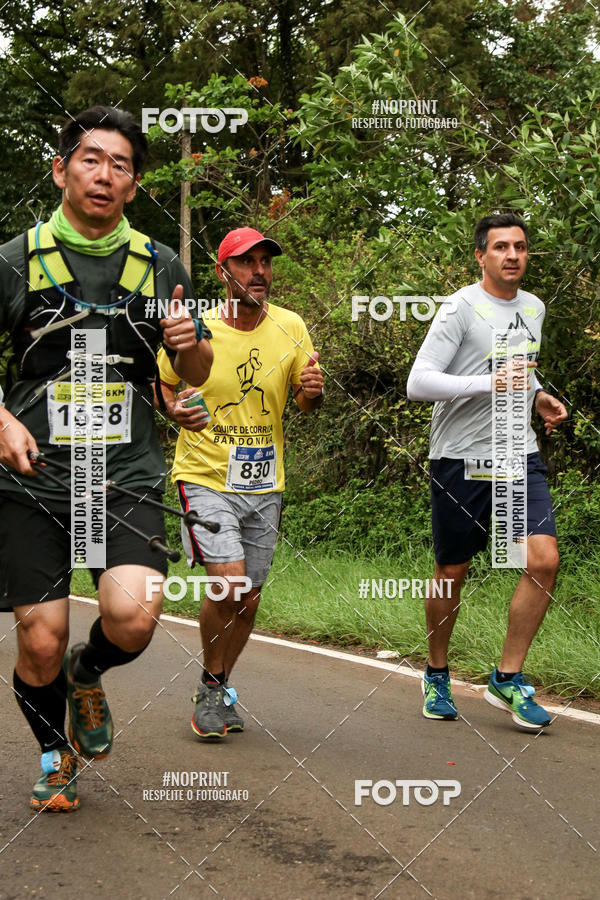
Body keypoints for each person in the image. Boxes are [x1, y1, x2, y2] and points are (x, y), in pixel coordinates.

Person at [0, 106, 213, 810]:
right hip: (33, 477)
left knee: (133, 617)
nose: (104, 174)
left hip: (124, 473)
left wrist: (185, 344)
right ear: (61, 169)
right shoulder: (13, 259)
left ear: (133, 184)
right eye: (90, 158)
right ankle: (55, 754)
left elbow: (200, 366)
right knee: (38, 638)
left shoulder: (160, 264)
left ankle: (87, 674)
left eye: (120, 165)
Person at [156, 226, 323, 740]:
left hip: (263, 481)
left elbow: (303, 401)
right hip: (204, 474)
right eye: (246, 263)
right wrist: (172, 409)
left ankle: (219, 681)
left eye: (266, 263)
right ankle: (210, 690)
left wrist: (312, 392)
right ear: (223, 272)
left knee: (248, 598)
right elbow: (163, 382)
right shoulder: (200, 326)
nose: (259, 272)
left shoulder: (292, 326)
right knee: (227, 584)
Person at [407, 212, 567, 730]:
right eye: (501, 247)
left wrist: (538, 394)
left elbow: (523, 364)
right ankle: (436, 672)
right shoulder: (460, 308)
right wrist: (488, 385)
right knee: (453, 571)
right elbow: (419, 383)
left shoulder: (535, 308)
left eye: (520, 246)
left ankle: (507, 676)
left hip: (516, 454)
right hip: (460, 458)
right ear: (481, 255)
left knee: (542, 560)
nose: (512, 255)